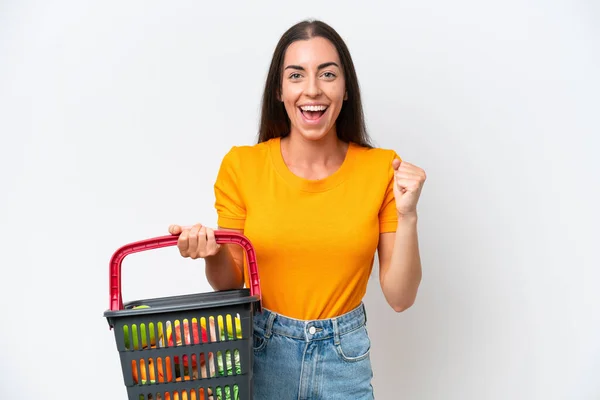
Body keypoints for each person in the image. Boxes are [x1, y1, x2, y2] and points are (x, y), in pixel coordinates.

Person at [168, 19, 426, 400]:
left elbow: (400, 298)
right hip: (262, 353)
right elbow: (230, 282)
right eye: (296, 75)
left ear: (345, 88)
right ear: (279, 89)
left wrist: (408, 216)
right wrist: (212, 252)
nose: (312, 90)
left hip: (345, 360)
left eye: (327, 74)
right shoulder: (242, 166)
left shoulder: (381, 169)